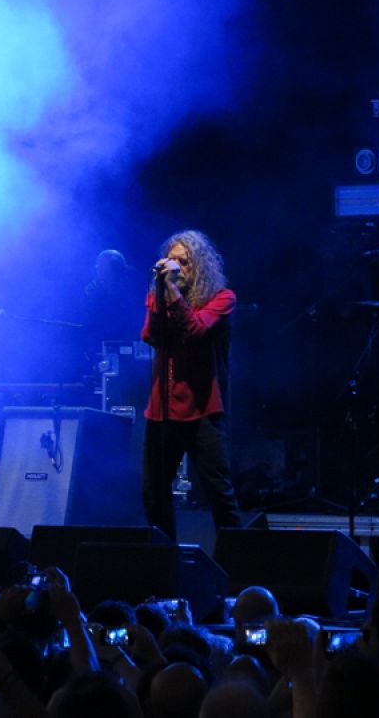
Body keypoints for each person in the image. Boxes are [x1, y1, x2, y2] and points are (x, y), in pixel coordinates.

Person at [141, 230, 239, 539]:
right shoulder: (160, 296)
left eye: (183, 262)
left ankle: (236, 562)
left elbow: (195, 329)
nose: (175, 268)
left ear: (198, 266)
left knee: (218, 492)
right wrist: (160, 290)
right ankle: (164, 561)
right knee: (154, 492)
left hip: (202, 411)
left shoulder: (222, 299)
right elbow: (151, 336)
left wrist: (170, 290)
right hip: (162, 411)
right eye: (171, 261)